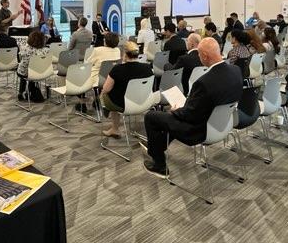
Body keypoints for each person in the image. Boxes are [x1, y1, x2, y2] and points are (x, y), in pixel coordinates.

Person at [142, 38, 243, 177]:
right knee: (170, 119)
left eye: (200, 55)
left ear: (205, 56)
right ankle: (158, 146)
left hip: (199, 131)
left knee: (151, 116)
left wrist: (177, 110)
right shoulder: (236, 70)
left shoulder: (204, 82)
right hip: (224, 124)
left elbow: (190, 115)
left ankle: (159, 164)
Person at [101, 41, 153, 138]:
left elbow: (106, 89)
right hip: (144, 102)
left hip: (123, 104)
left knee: (105, 94)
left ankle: (115, 129)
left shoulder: (117, 69)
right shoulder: (147, 68)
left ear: (124, 54)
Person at [16, 30, 49, 101]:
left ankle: (21, 92)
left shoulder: (25, 49)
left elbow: (20, 57)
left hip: (25, 73)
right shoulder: (46, 50)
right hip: (41, 72)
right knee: (31, 71)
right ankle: (29, 91)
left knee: (24, 71)